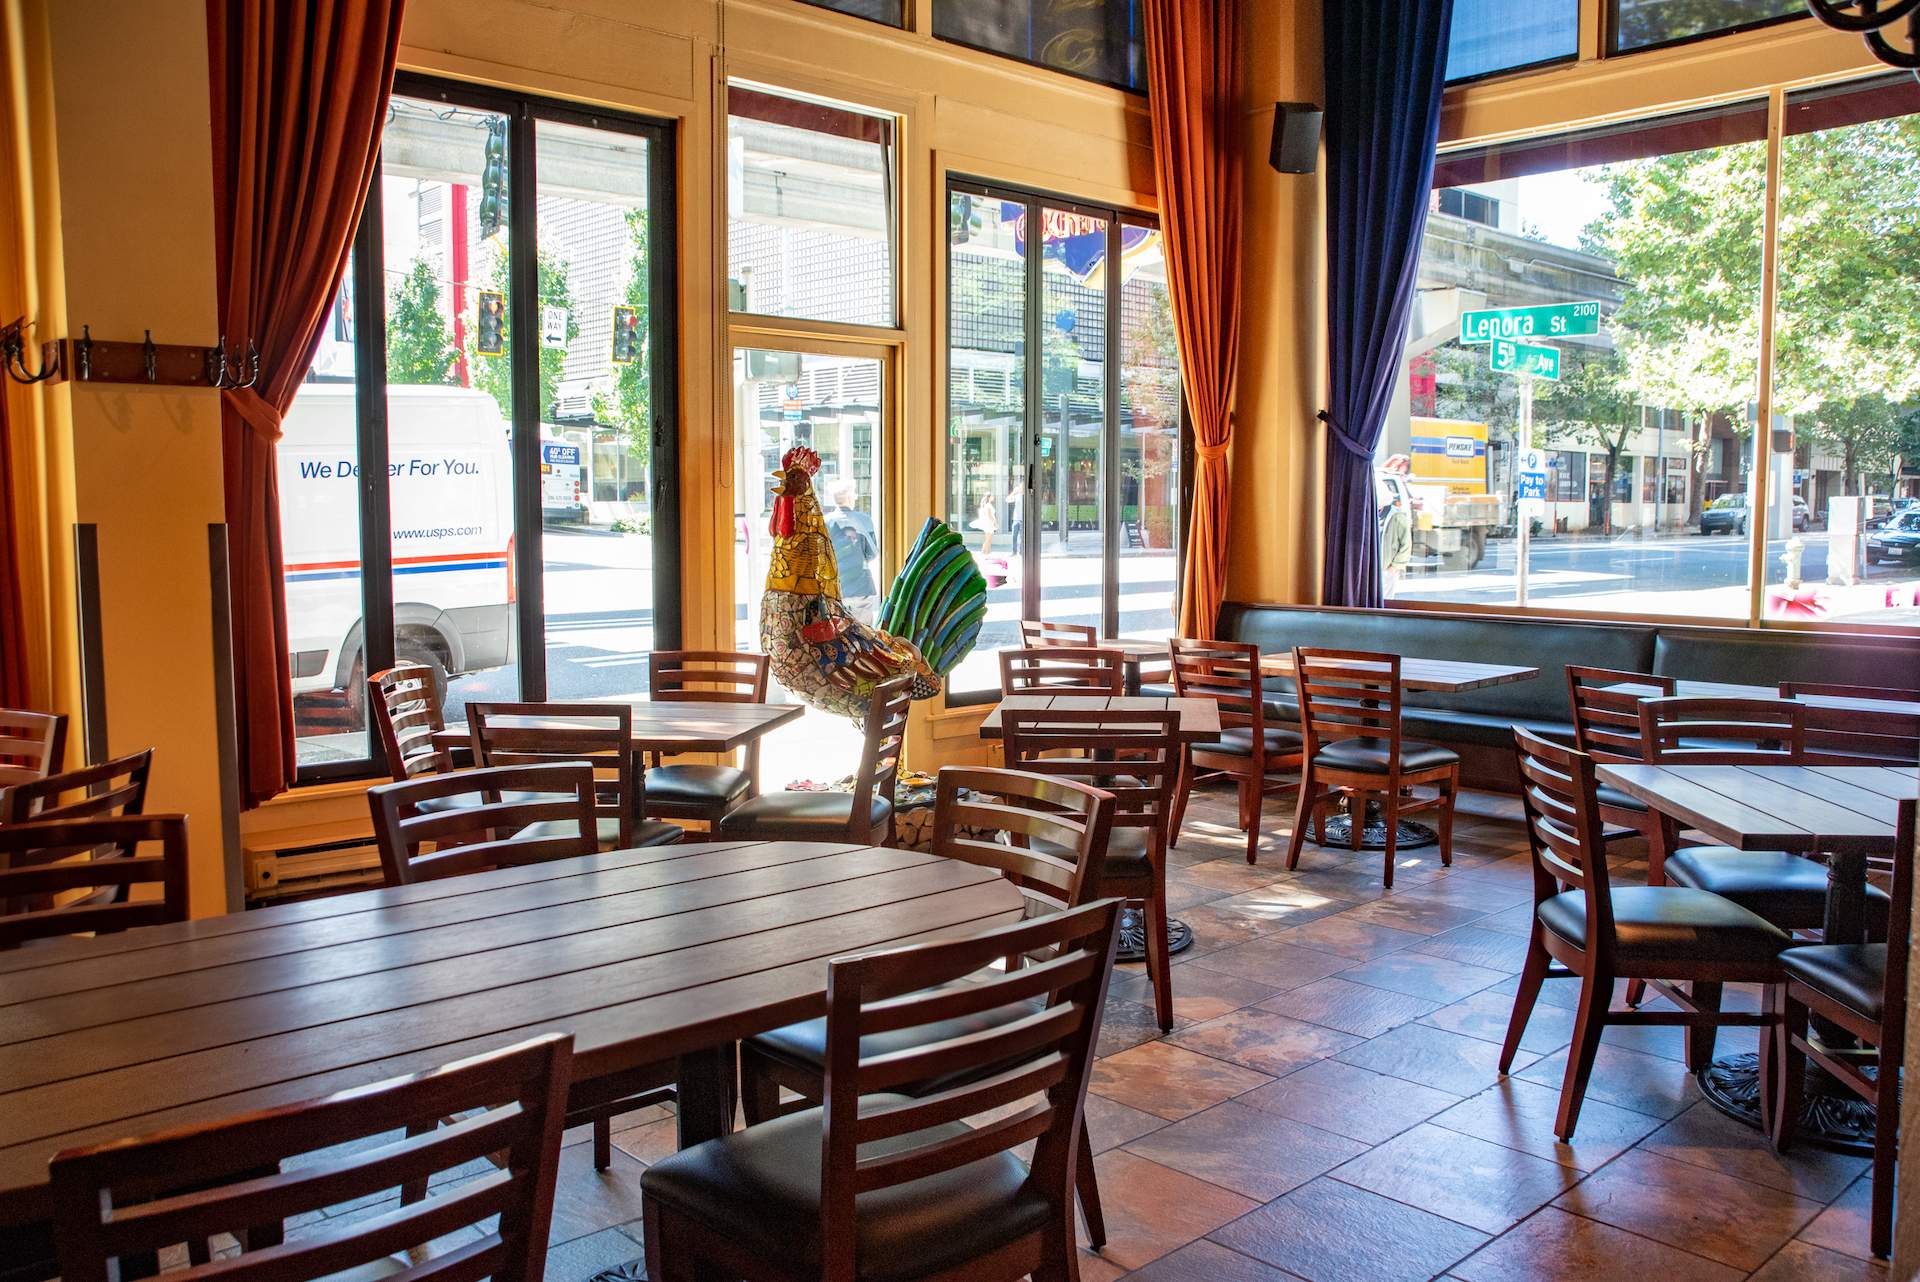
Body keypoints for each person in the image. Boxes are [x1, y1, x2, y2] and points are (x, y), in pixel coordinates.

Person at [825, 478, 880, 623]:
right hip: (861, 586)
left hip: (835, 587)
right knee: (864, 632)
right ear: (850, 497)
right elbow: (872, 552)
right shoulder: (864, 520)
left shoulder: (826, 522)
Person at [1379, 484, 1411, 599]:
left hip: (1387, 568)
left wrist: (1395, 566)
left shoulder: (1397, 516)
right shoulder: (1371, 513)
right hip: (1372, 567)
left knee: (1385, 600)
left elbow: (1406, 544)